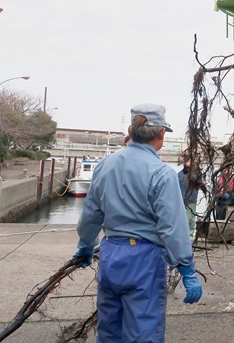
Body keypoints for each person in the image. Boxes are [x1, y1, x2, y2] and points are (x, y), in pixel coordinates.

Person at [73, 103, 202, 342]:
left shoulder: (105, 165)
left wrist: (86, 245)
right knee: (143, 332)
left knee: (109, 330)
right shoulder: (161, 173)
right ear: (162, 133)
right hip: (144, 259)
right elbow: (172, 228)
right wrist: (186, 268)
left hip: (111, 254)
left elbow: (91, 214)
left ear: (131, 131)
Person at [178, 155, 204, 238]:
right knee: (181, 217)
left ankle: (190, 233)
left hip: (192, 198)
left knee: (191, 217)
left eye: (190, 161)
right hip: (181, 199)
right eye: (187, 161)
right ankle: (182, 233)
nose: (189, 163)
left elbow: (200, 184)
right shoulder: (180, 174)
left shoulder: (196, 174)